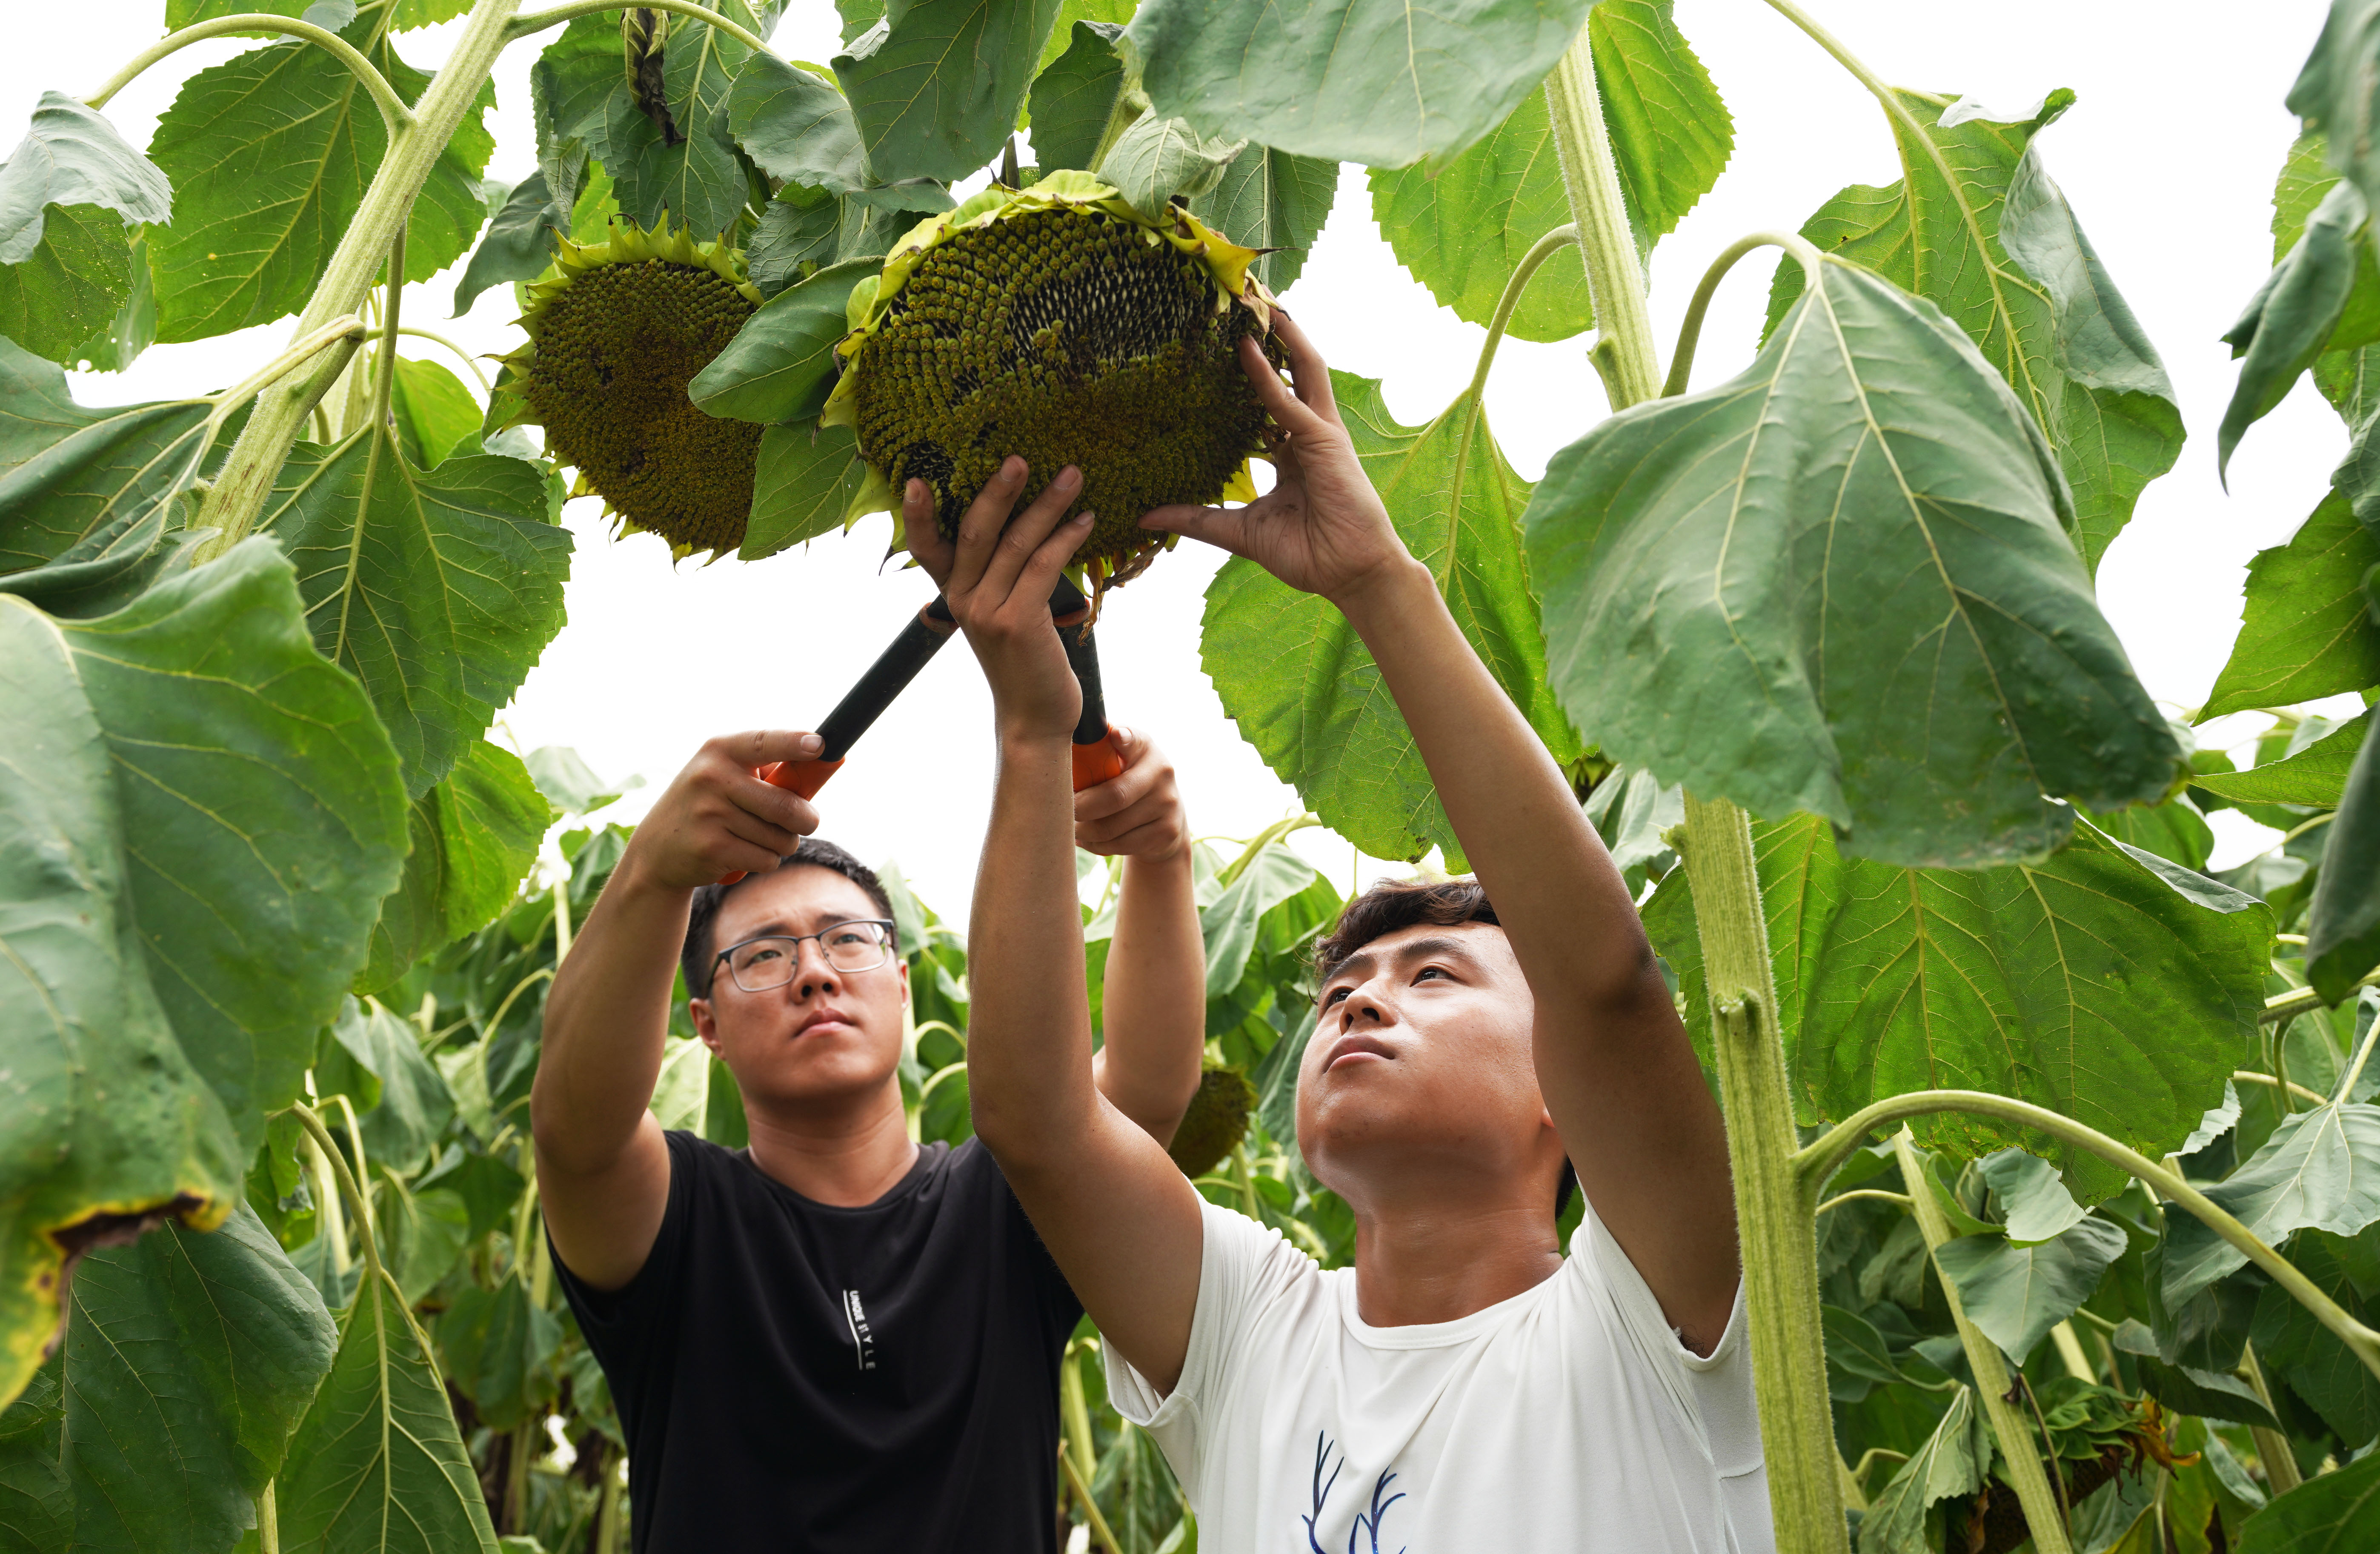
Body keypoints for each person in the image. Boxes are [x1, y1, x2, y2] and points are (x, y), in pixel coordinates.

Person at [917, 315, 1767, 1552]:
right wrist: (1030, 733)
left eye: (1435, 975)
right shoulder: (1257, 1336)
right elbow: (1040, 1123)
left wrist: (1376, 580)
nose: (1362, 1003)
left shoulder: (1659, 1320)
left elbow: (1607, 985)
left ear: (1562, 1095)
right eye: (1343, 988)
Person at [531, 722, 1206, 1552]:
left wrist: (1163, 855)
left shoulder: (1008, 1204)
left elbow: (1146, 1089)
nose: (814, 972)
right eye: (763, 955)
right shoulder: (678, 1219)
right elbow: (574, 1133)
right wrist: (652, 871)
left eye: (848, 939)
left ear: (903, 982)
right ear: (705, 1023)